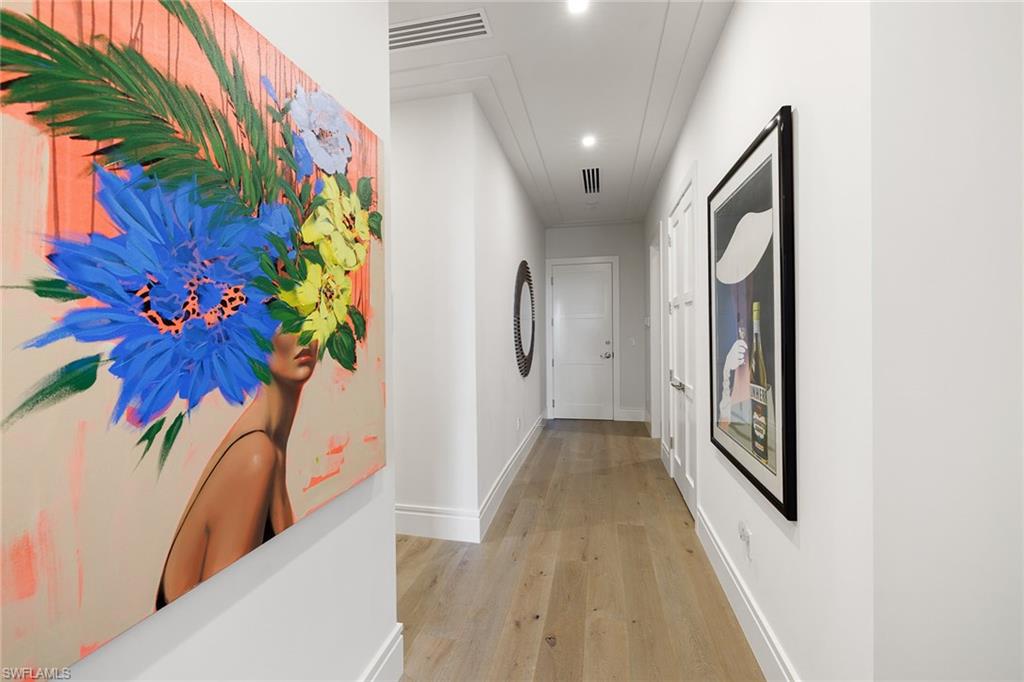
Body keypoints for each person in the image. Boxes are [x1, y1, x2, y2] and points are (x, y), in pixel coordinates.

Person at [156, 332, 317, 607]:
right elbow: (225, 613)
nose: (304, 331)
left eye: (311, 311)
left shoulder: (269, 444)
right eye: (280, 313)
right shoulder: (255, 455)